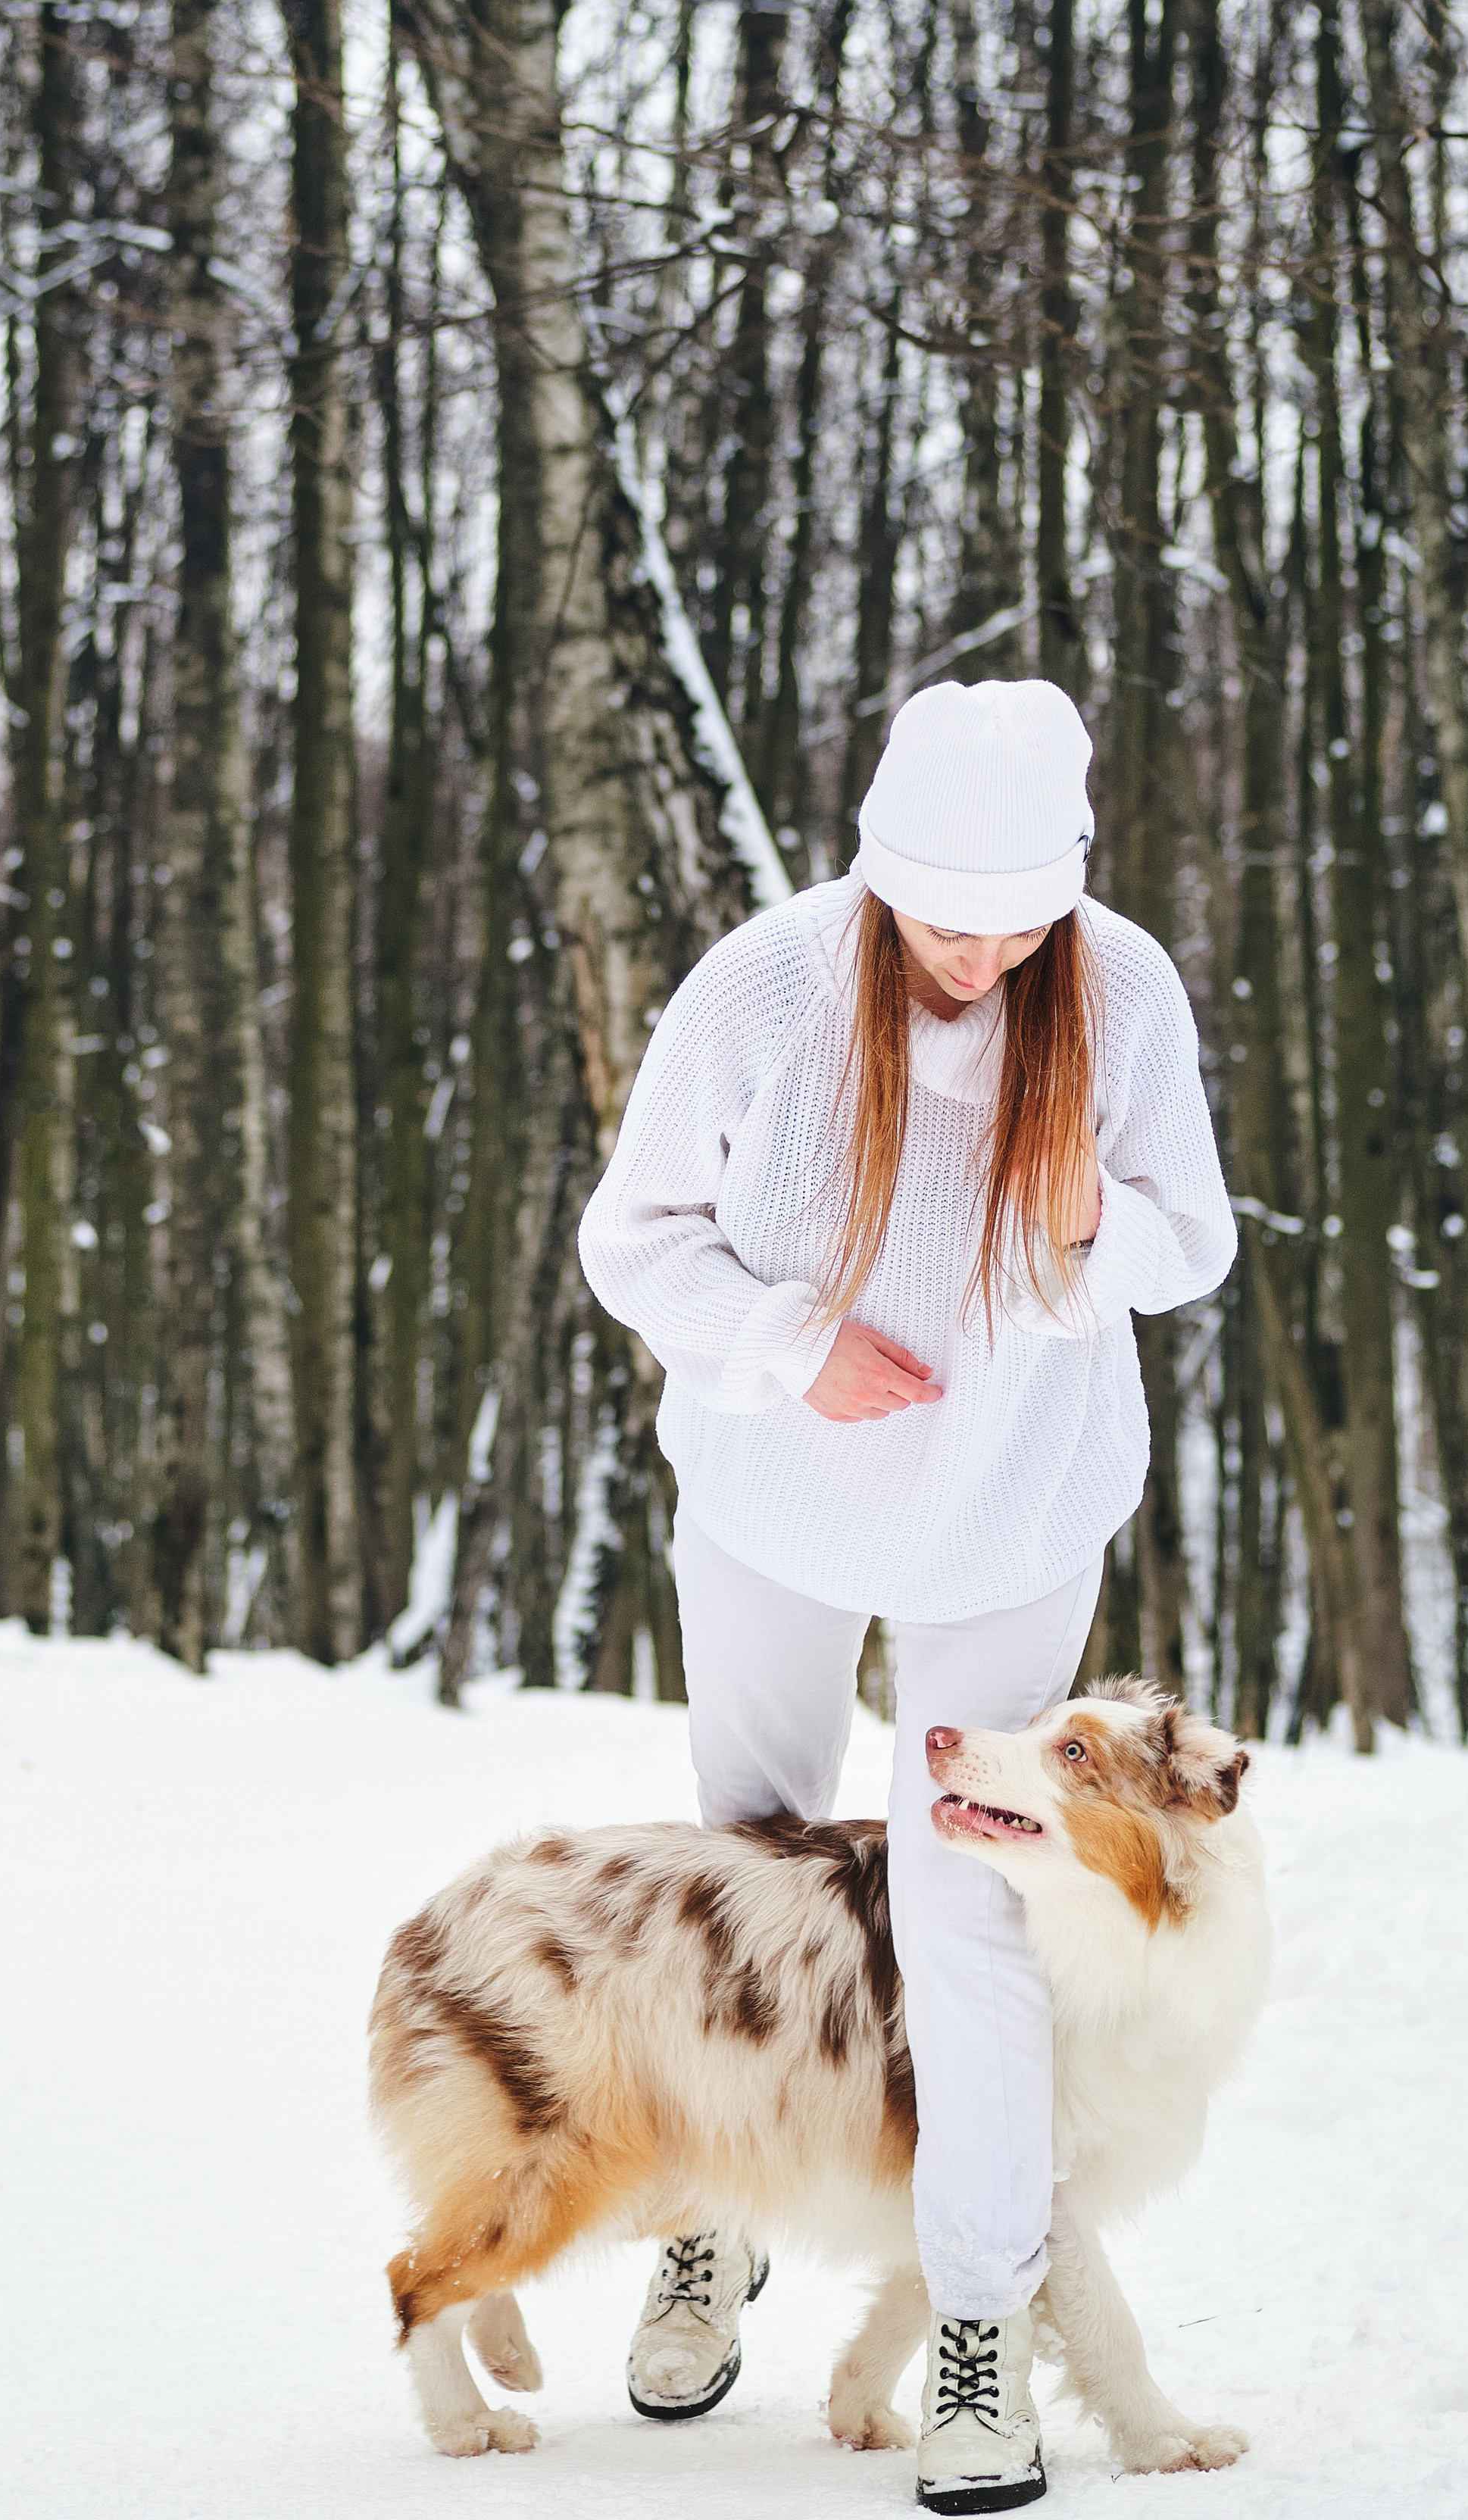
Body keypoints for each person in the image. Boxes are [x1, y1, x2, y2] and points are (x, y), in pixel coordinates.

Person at [576, 678, 1235, 2510]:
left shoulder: (1120, 994)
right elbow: (627, 1237)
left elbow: (1195, 1239)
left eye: (1018, 914)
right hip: (776, 1498)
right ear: (873, 876)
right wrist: (790, 1345)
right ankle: (713, 2222)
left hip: (1007, 1515)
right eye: (944, 915)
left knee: (963, 1915)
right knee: (747, 1873)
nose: (980, 952)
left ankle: (979, 2330)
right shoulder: (767, 986)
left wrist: (1085, 1213)